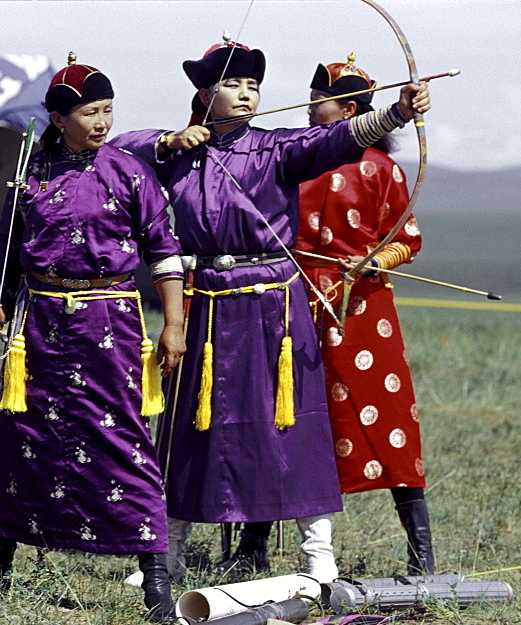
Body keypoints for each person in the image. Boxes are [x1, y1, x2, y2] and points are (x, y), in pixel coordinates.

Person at [111, 38, 430, 587]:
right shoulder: (179, 151)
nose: (246, 95)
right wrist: (169, 139)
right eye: (233, 85)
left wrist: (398, 112)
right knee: (193, 427)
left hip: (273, 304)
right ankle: (170, 553)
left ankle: (318, 556)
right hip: (207, 297)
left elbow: (338, 137)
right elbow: (117, 150)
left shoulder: (277, 148)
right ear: (205, 93)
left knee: (293, 425)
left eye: (254, 86)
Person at [0, 54, 185, 622]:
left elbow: (165, 253)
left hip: (109, 323)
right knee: (24, 434)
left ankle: (157, 579)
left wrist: (175, 324)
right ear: (58, 117)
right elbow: (6, 249)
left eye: (108, 111)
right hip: (38, 322)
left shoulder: (129, 172)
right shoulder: (30, 174)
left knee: (124, 440)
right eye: (90, 112)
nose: (102, 122)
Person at [221, 55, 436, 578]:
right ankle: (253, 545)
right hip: (291, 297)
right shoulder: (290, 155)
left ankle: (423, 554)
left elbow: (407, 241)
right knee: (282, 411)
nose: (313, 104)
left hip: (361, 306)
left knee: (388, 420)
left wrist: (371, 260)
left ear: (350, 109)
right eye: (314, 95)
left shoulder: (383, 169)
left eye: (322, 98)